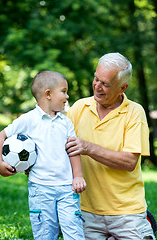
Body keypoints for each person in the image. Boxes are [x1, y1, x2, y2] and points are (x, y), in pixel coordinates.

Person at [66, 53, 155, 240]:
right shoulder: (79, 108)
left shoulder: (134, 112)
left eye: (105, 84)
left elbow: (130, 161)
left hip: (126, 212)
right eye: (96, 79)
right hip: (86, 211)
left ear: (123, 88)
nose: (97, 86)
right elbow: (57, 145)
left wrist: (87, 148)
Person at [0, 71, 86, 240]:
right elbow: (1, 136)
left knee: (74, 232)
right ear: (48, 94)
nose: (67, 96)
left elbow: (73, 150)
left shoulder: (65, 122)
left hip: (68, 188)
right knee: (44, 234)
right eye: (64, 91)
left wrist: (78, 176)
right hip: (40, 189)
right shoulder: (28, 120)